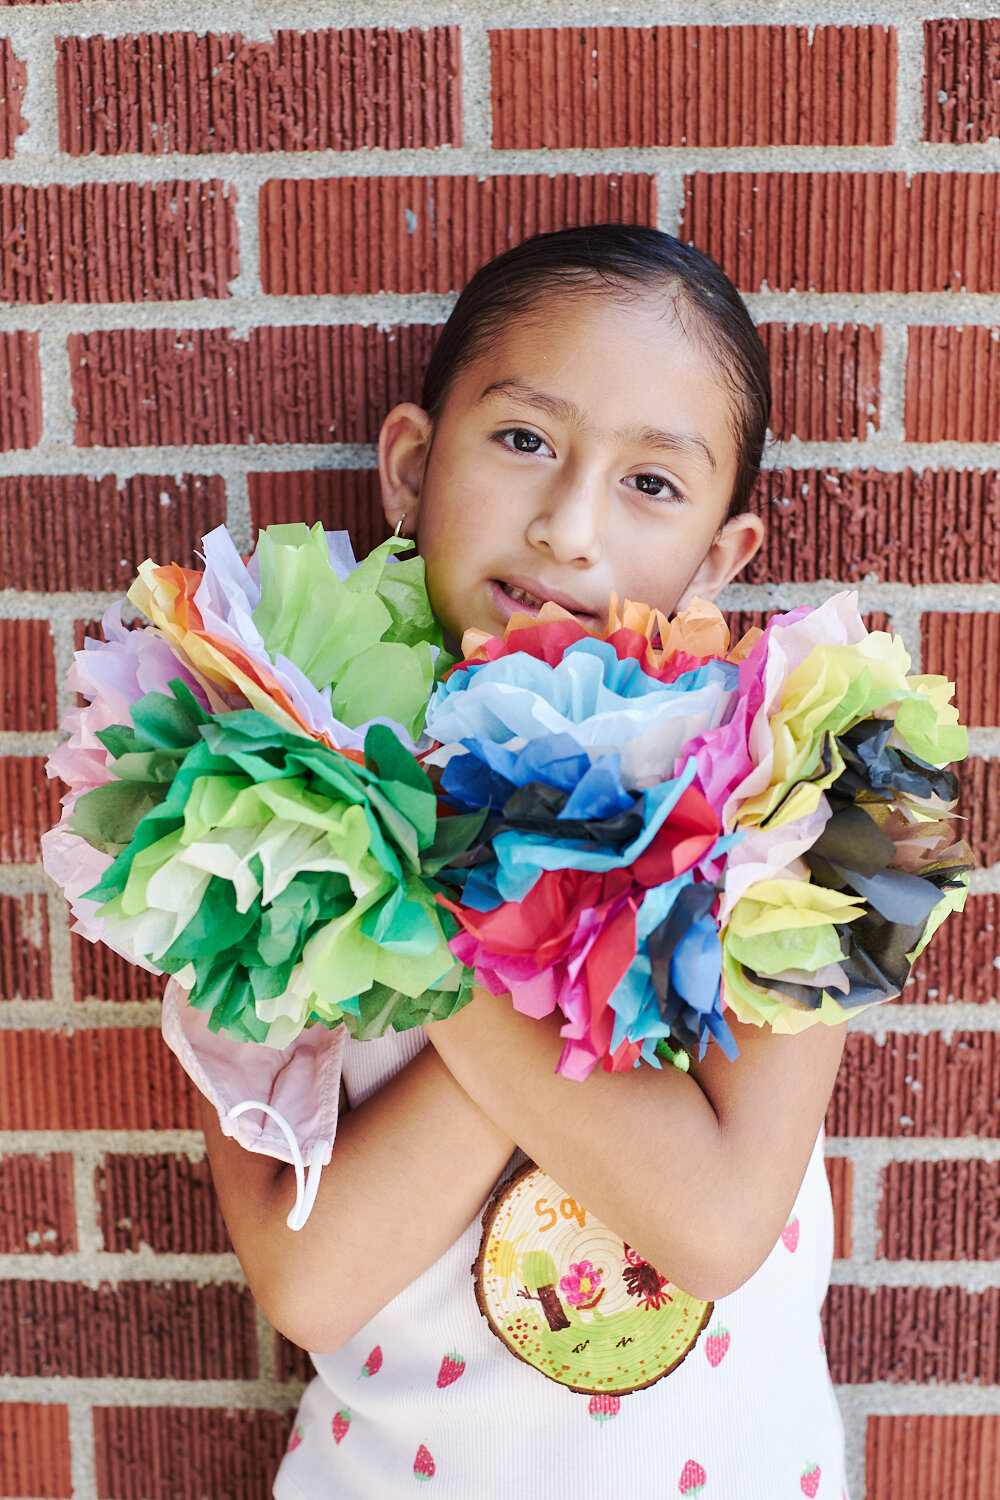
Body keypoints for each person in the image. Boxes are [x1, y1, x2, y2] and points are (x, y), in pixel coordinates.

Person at [182, 225, 849, 1498]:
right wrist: (498, 906)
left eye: (651, 482)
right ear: (410, 467)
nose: (568, 528)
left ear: (718, 558)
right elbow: (312, 1282)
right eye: (526, 441)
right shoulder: (263, 808)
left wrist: (410, 913)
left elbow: (712, 1227)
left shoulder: (788, 795)